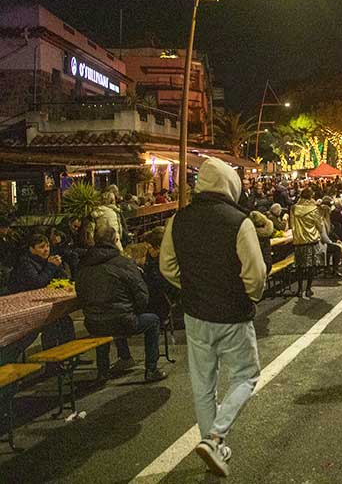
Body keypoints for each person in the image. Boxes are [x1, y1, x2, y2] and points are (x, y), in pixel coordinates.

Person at [159, 157, 266, 477]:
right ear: (230, 184)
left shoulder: (178, 220)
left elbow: (167, 267)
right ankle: (216, 435)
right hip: (232, 314)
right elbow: (256, 275)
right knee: (246, 375)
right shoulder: (239, 221)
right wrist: (249, 296)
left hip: (195, 314)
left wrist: (191, 287)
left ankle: (214, 445)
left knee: (203, 385)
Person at [76, 225, 167, 382]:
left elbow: (80, 293)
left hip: (92, 322)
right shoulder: (124, 263)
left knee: (102, 322)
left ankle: (103, 372)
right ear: (115, 240)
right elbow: (141, 294)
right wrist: (134, 311)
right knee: (153, 321)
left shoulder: (83, 264)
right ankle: (151, 369)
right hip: (123, 320)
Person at [8, 232, 75, 350]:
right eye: (41, 247)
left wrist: (58, 267)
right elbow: (38, 283)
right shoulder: (25, 263)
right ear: (32, 249)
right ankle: (53, 362)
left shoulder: (47, 260)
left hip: (46, 301)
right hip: (26, 305)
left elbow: (63, 278)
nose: (46, 250)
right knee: (52, 326)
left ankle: (70, 355)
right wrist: (51, 266)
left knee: (65, 320)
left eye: (47, 246)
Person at [290, 188, 323, 298]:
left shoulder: (294, 208)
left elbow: (292, 224)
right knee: (311, 266)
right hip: (311, 240)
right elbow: (319, 224)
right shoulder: (313, 209)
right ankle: (308, 288)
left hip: (299, 241)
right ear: (310, 197)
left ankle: (299, 289)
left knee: (299, 266)